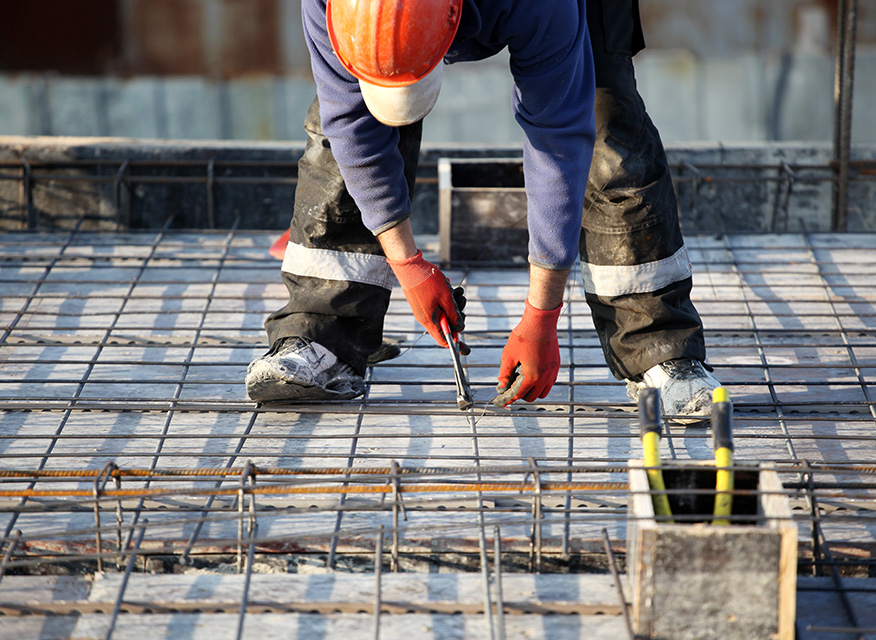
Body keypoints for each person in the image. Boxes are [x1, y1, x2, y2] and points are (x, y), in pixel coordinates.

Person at [245, 0, 721, 421]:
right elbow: (352, 124)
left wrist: (541, 316)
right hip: (382, 22)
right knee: (340, 132)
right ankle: (320, 334)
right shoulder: (330, 5)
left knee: (605, 122)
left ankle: (660, 346)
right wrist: (408, 265)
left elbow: (558, 140)